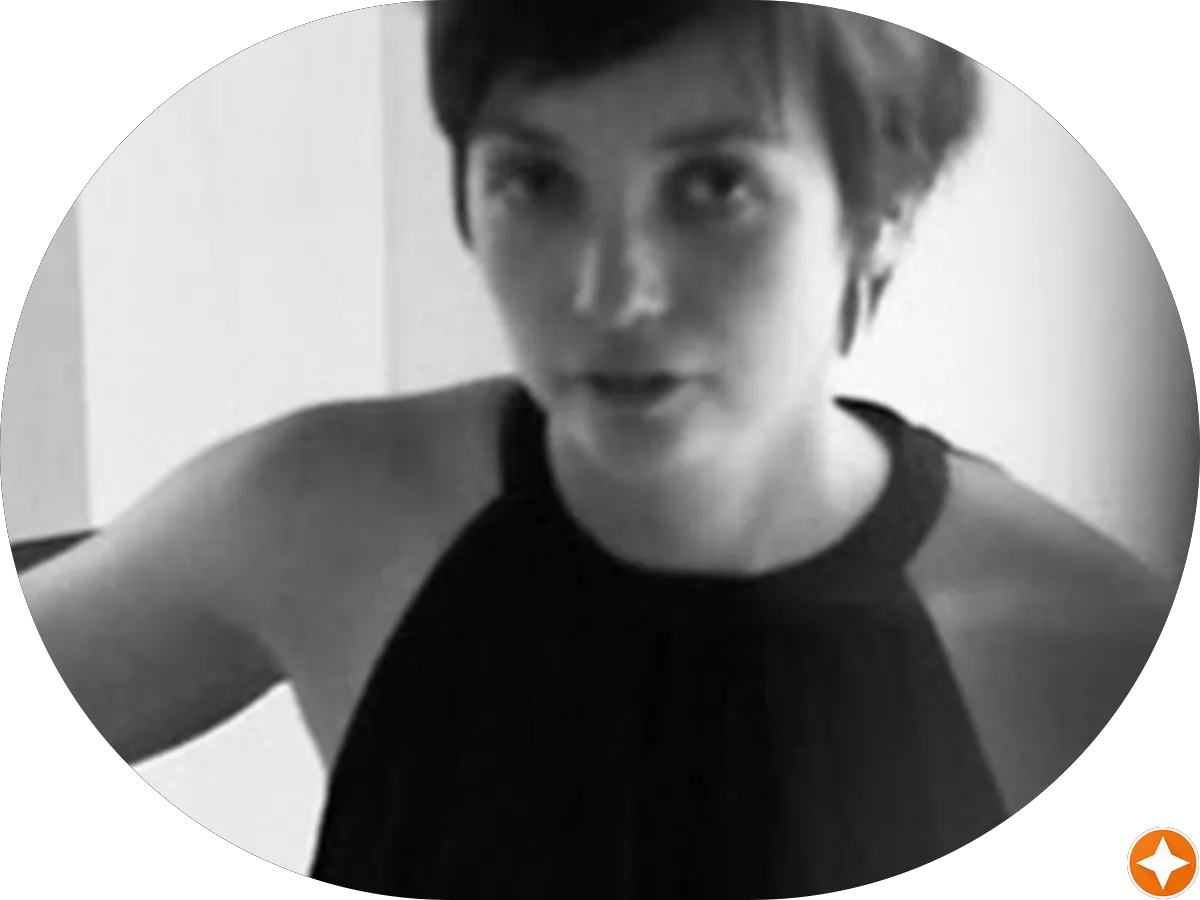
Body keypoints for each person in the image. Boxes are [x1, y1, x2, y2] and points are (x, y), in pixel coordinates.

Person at [18, 1, 1173, 897]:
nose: (612, 293)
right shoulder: (319, 516)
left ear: (881, 213)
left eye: (714, 186)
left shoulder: (1082, 651)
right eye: (535, 181)